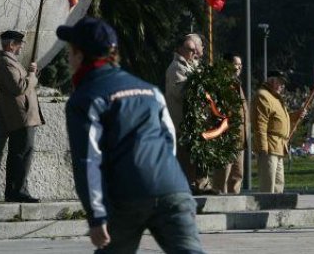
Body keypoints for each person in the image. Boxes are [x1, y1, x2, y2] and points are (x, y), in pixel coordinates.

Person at [57, 17, 204, 253]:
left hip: (128, 196)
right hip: (174, 189)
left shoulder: (85, 99)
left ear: (80, 55)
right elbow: (169, 140)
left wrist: (96, 216)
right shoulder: (149, 90)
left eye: (70, 50)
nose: (67, 57)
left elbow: (88, 161)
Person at [0, 30, 44, 203]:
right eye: (19, 43)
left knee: (23, 152)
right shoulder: (6, 63)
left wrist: (31, 74)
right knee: (22, 153)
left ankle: (17, 190)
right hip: (20, 116)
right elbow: (19, 87)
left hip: (24, 115)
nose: (22, 46)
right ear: (11, 44)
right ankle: (17, 191)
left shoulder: (11, 62)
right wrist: (31, 75)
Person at [165, 34, 215, 195]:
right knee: (185, 158)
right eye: (190, 50)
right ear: (180, 49)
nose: (194, 53)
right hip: (182, 123)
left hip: (197, 123)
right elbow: (180, 93)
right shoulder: (175, 68)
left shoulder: (192, 65)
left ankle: (202, 184)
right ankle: (188, 186)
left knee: (199, 156)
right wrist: (199, 85)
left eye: (195, 50)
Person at [252, 70, 304, 193]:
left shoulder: (275, 98)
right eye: (281, 82)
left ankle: (275, 210)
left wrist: (297, 115)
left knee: (278, 185)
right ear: (272, 80)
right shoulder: (263, 96)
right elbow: (261, 125)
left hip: (279, 147)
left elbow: (279, 120)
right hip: (269, 148)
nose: (283, 86)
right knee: (268, 186)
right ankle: (266, 209)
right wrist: (263, 149)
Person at [212, 53, 248, 194]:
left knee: (237, 174)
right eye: (235, 64)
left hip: (239, 139)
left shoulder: (238, 84)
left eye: (240, 65)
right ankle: (219, 203)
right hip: (226, 137)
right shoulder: (220, 82)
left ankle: (235, 204)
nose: (238, 67)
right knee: (223, 175)